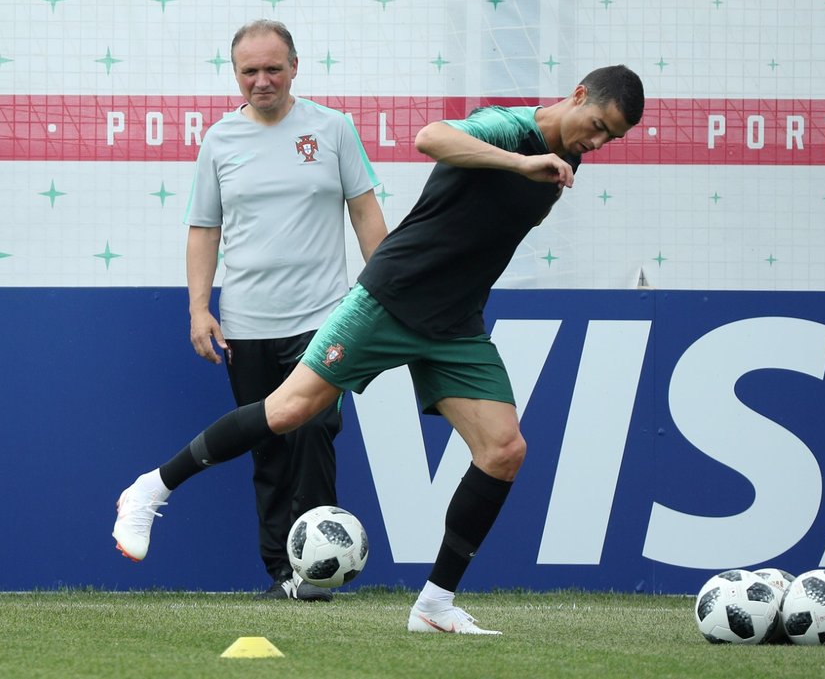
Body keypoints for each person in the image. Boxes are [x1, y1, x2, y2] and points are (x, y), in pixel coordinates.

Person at [114, 64, 645, 633]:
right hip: (393, 297)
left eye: (609, 137)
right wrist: (521, 163)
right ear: (579, 95)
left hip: (455, 323)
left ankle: (434, 606)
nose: (597, 141)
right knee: (290, 411)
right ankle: (150, 488)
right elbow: (431, 138)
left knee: (504, 451)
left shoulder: (572, 157)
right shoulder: (510, 129)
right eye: (596, 125)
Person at [181, 20, 387, 602]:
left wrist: (385, 295)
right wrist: (201, 308)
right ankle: (281, 572)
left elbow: (366, 215)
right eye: (250, 71)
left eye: (274, 68)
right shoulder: (219, 140)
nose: (263, 80)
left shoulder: (334, 129)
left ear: (295, 66)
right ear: (236, 74)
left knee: (316, 430)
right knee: (267, 448)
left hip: (325, 318)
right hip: (246, 323)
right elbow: (204, 229)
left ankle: (318, 572)